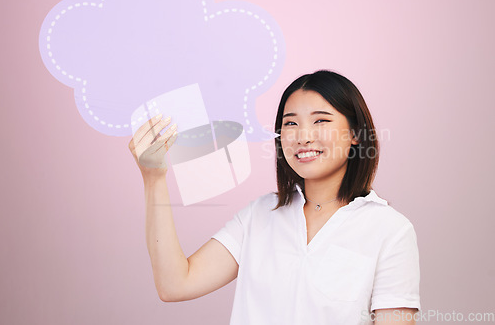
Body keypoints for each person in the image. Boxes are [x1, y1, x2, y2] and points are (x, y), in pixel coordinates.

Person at [129, 70, 421, 325]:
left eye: (321, 121)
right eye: (291, 123)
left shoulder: (390, 230)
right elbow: (175, 284)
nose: (303, 136)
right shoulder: (259, 215)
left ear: (356, 133)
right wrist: (153, 178)